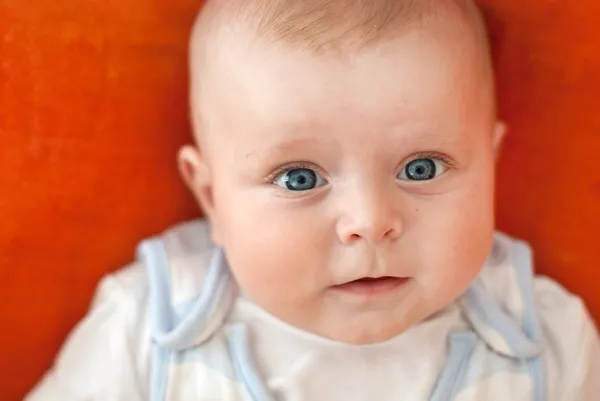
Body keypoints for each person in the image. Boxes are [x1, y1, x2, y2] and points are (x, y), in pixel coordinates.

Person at [26, 0, 600, 400]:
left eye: (420, 168)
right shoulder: (149, 328)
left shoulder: (546, 341)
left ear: (491, 167)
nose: (371, 223)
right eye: (299, 178)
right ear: (210, 197)